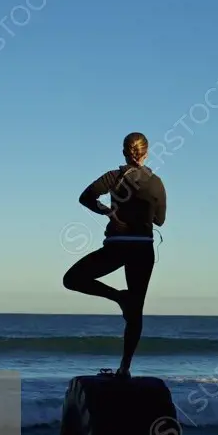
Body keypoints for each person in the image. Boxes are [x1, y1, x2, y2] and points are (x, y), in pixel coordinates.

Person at [63, 132, 166, 378]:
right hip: (142, 248)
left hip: (117, 246)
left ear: (124, 153)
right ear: (146, 153)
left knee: (72, 279)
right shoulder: (157, 182)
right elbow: (160, 221)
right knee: (136, 310)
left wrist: (109, 212)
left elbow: (85, 197)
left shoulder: (114, 176)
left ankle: (119, 297)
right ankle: (125, 368)